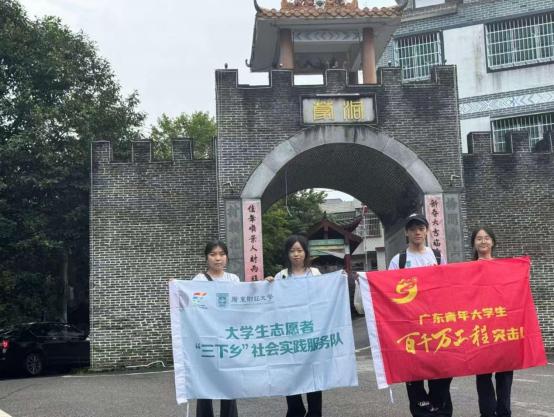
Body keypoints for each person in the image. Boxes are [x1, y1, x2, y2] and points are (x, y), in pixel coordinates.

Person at [388, 213, 453, 417]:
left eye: (421, 228)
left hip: (436, 326)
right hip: (410, 328)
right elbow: (388, 291)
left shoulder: (438, 257)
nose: (417, 232)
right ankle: (422, 412)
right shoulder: (398, 260)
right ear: (406, 233)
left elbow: (448, 287)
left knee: (441, 372)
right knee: (414, 375)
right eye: (413, 229)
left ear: (427, 231)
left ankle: (441, 411)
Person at [266, 234, 322, 417]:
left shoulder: (315, 274)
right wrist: (267, 285)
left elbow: (325, 298)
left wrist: (339, 280)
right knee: (291, 374)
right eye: (292, 251)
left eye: (299, 250)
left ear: (306, 253)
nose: (296, 254)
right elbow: (273, 304)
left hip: (310, 334)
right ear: (287, 254)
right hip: (289, 335)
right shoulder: (281, 276)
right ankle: (295, 409)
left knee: (313, 375)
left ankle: (315, 412)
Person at [192, 240, 239, 417]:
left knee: (229, 383)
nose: (218, 258)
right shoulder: (199, 280)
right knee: (205, 383)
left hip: (228, 339)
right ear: (206, 258)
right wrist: (176, 287)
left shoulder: (233, 279)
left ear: (227, 257)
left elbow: (241, 306)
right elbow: (194, 307)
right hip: (207, 339)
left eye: (221, 254)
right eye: (213, 254)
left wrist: (267, 284)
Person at [471, 227, 514, 417]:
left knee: (505, 373)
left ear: (493, 242)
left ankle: (504, 412)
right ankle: (487, 413)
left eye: (487, 238)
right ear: (474, 244)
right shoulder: (467, 270)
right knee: (483, 374)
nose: (483, 241)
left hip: (501, 325)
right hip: (479, 327)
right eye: (479, 238)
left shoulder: (504, 267)